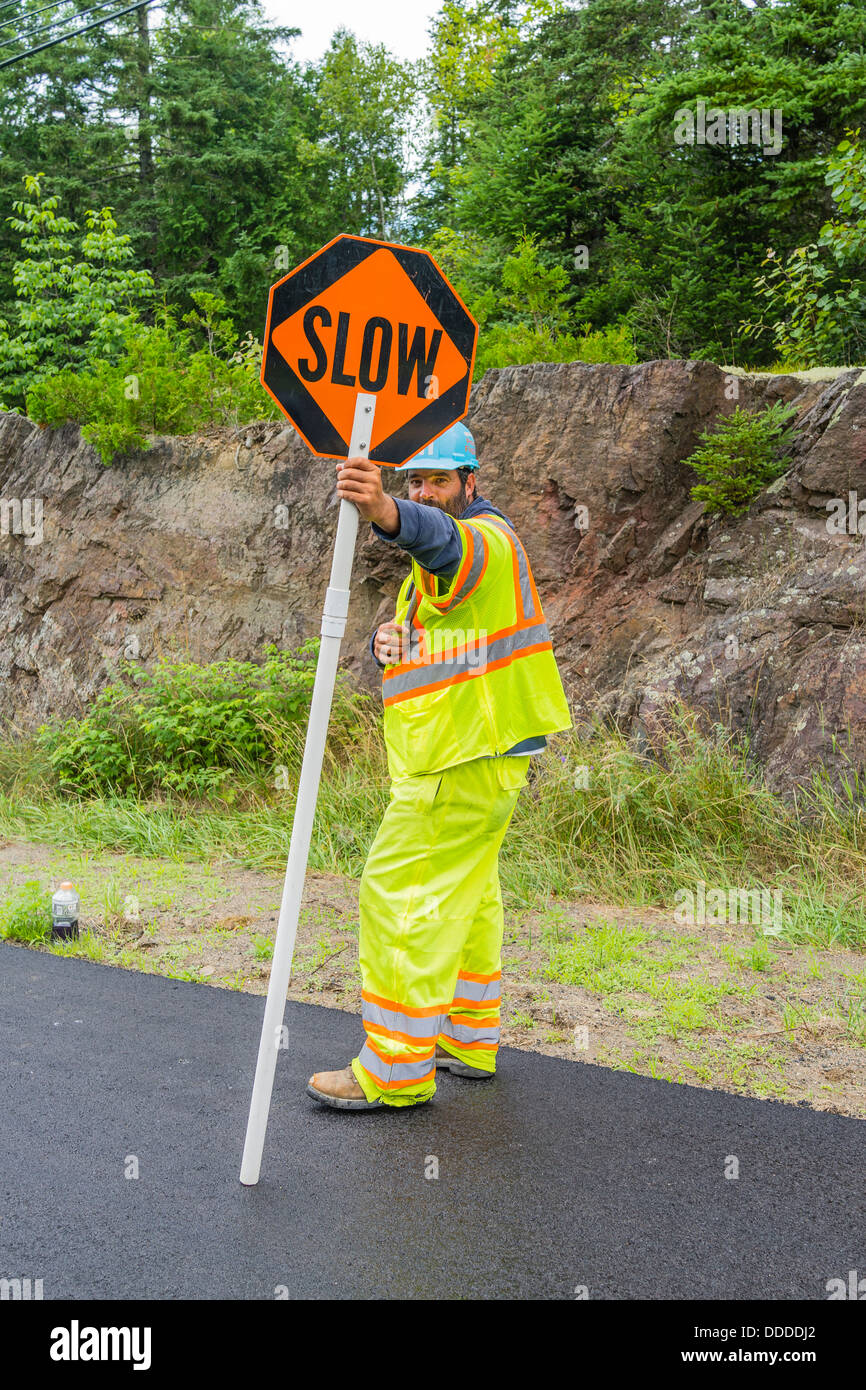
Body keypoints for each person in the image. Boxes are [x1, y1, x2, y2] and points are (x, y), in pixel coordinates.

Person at [307, 421, 572, 1109]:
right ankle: (466, 1036)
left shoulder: (483, 539)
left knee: (401, 894)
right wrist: (387, 641)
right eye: (414, 481)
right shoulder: (442, 572)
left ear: (470, 483)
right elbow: (448, 637)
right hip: (480, 756)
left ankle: (394, 1068)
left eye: (438, 480)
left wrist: (386, 511)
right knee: (471, 894)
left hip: (461, 761)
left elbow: (441, 539)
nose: (425, 491)